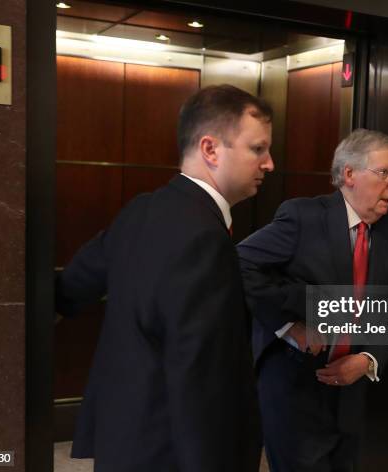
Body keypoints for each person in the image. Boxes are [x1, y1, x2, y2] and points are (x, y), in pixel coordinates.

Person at [56, 84, 274, 472]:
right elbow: (199, 374)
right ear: (210, 149)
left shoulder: (139, 210)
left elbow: (70, 287)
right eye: (258, 149)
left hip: (122, 438)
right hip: (170, 451)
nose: (269, 163)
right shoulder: (205, 237)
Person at [237, 128, 388, 471]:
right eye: (384, 172)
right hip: (295, 383)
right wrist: (290, 326)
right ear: (349, 174)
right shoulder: (303, 217)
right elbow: (239, 263)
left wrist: (368, 358)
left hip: (353, 392)